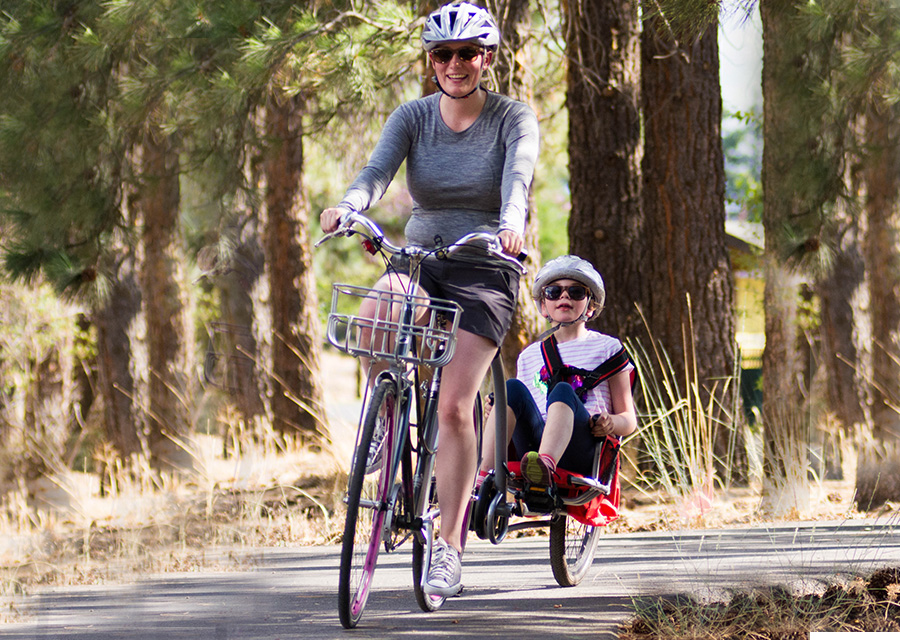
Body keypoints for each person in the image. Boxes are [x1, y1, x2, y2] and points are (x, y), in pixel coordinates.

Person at [320, 2, 539, 598]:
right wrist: (352, 206)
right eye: (443, 55)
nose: (456, 64)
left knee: (452, 406)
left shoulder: (512, 118)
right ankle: (384, 427)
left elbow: (517, 177)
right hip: (419, 261)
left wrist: (512, 222)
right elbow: (375, 172)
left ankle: (448, 547)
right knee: (373, 315)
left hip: (485, 267)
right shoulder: (414, 117)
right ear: (432, 62)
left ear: (486, 57)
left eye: (468, 53)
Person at [479, 255, 637, 489]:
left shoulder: (608, 348)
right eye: (554, 292)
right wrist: (496, 408)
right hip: (531, 447)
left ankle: (545, 467)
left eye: (576, 292)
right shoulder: (529, 355)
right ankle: (482, 480)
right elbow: (524, 409)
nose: (564, 296)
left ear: (590, 306)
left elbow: (629, 420)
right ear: (544, 305)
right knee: (509, 388)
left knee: (562, 390)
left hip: (581, 446)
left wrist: (610, 423)